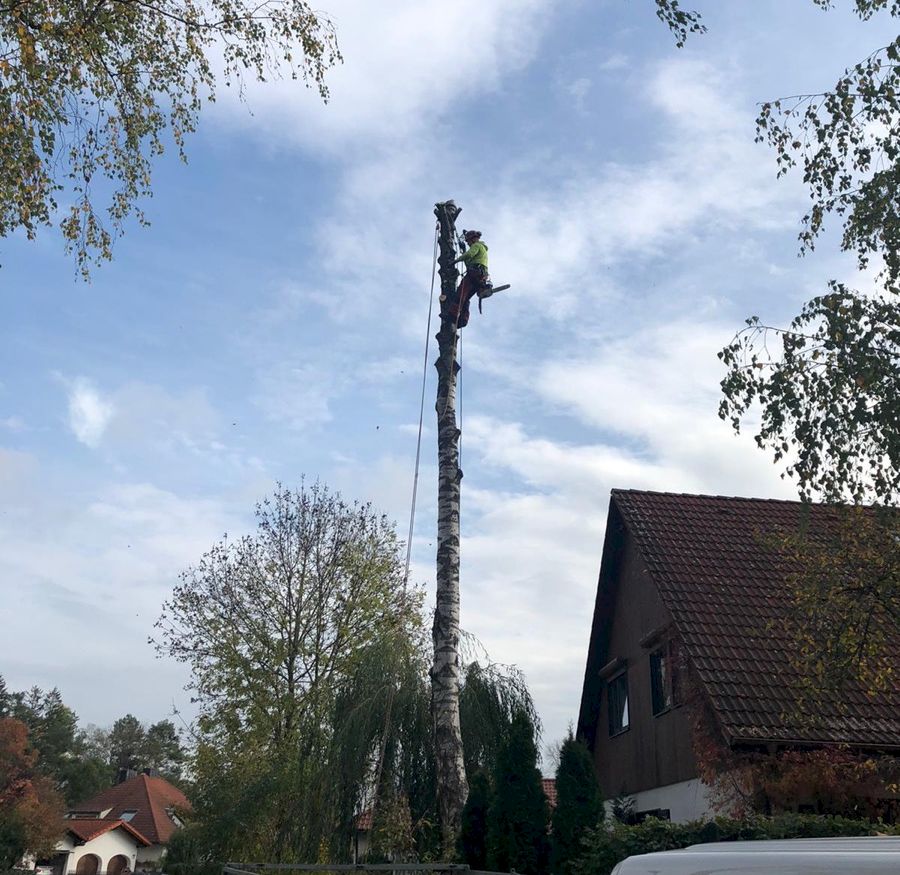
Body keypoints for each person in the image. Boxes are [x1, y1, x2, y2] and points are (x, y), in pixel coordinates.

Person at [444, 229, 491, 328]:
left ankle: (452, 316)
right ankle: (463, 320)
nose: (468, 243)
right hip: (480, 276)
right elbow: (469, 262)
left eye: (468, 241)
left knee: (461, 294)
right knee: (465, 298)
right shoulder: (481, 249)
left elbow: (469, 255)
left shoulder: (477, 245)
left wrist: (455, 261)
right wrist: (464, 250)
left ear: (473, 239)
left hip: (475, 273)